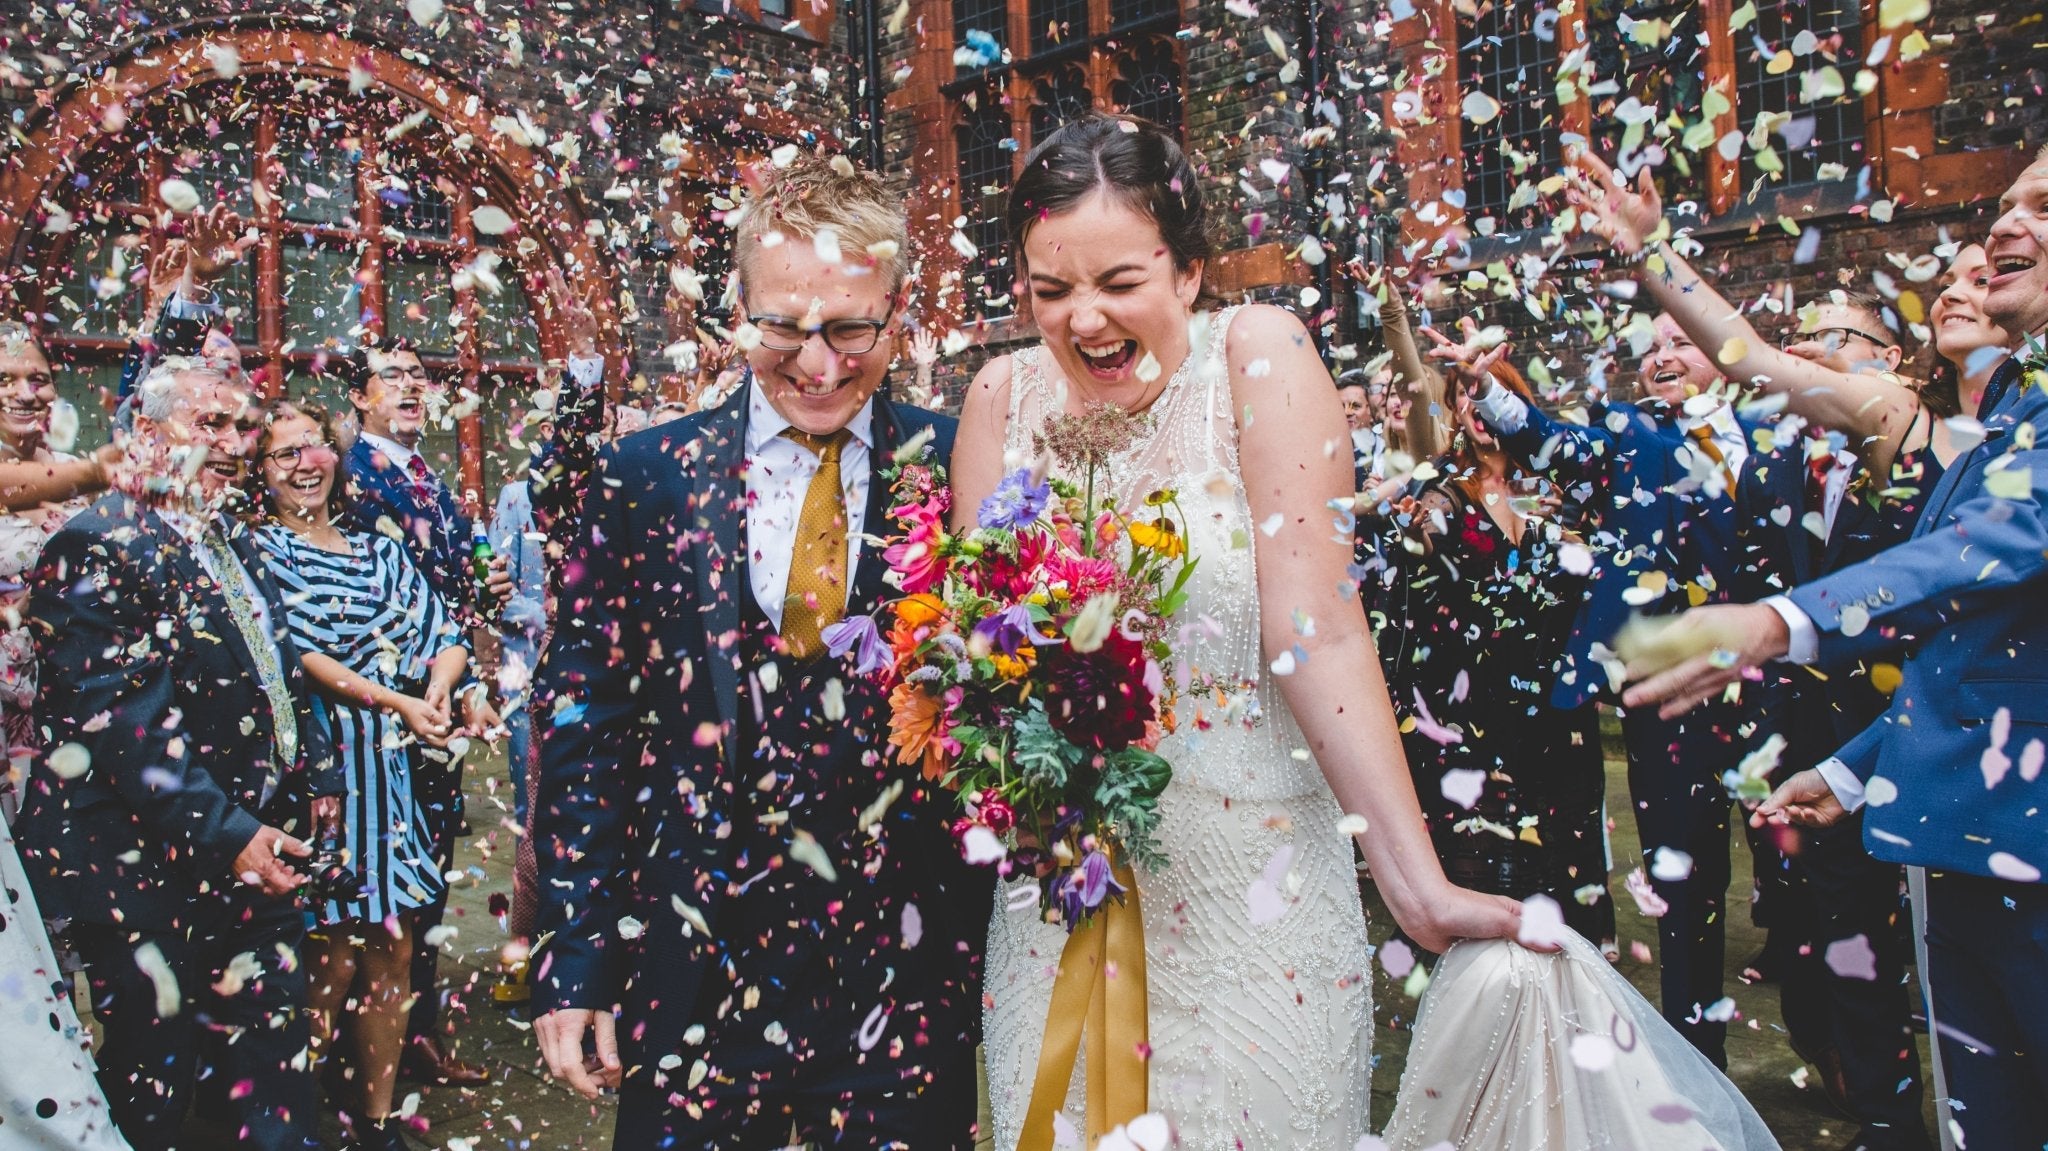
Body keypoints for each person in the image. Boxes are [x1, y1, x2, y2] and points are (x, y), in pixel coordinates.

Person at [951, 113, 1525, 1148]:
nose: (1084, 318)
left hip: (1256, 907)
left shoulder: (1257, 356)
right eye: (1050, 289)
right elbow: (978, 664)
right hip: (1059, 911)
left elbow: (1322, 629)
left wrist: (1415, 884)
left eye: (1119, 281)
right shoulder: (1001, 395)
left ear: (1188, 271)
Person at [531, 154, 991, 1148]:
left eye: (850, 329)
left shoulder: (962, 464)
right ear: (738, 313)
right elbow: (586, 725)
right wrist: (577, 958)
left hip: (903, 972)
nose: (817, 365)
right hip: (693, 961)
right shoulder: (645, 475)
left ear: (899, 313)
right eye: (783, 326)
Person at [1619, 146, 2048, 1151]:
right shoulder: (2001, 420)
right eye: (2003, 205)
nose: (1998, 227)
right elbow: (1974, 646)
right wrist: (1853, 772)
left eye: (2041, 205)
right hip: (1945, 821)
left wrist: (1778, 621)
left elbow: (1996, 542)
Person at [1567, 150, 1951, 1147]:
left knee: (1890, 945)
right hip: (1788, 728)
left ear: (1896, 361)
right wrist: (1650, 252)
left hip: (1905, 732)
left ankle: (1884, 1096)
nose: (1815, 349)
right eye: (1808, 336)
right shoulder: (1779, 458)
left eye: (1841, 337)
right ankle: (1859, 1097)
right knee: (1825, 924)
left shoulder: (1929, 448)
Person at [19, 357, 341, 1151]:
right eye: (211, 423)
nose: (233, 442)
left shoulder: (232, 536)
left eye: (242, 426)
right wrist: (231, 832)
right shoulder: (96, 543)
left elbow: (278, 665)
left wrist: (316, 768)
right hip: (139, 863)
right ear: (146, 432)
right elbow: (124, 726)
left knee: (273, 1058)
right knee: (153, 1073)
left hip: (251, 847)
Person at [1431, 309, 1755, 1067]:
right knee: (1685, 879)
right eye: (1653, 346)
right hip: (1670, 691)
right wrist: (1489, 389)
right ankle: (1697, 1056)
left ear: (1727, 353)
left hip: (1788, 689)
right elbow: (1553, 441)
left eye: (1682, 342)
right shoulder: (1634, 437)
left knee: (1822, 882)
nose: (1662, 357)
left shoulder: (1783, 436)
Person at [250, 399, 493, 1150]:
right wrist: (397, 700)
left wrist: (442, 688)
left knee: (394, 947)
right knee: (328, 958)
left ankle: (377, 1119)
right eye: (284, 452)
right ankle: (295, 1121)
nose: (305, 464)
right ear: (261, 471)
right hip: (322, 777)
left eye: (314, 446)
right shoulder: (260, 550)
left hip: (392, 777)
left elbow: (443, 632)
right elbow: (300, 656)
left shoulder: (377, 548)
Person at [1360, 358, 1615, 948]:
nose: (1474, 408)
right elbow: (1423, 550)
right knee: (1486, 869)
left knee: (1560, 866)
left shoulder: (1559, 493)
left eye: (1487, 395)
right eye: (1462, 397)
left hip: (1553, 713)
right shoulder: (1448, 493)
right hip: (1474, 712)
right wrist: (1417, 534)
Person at [340, 339, 508, 1086]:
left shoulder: (426, 474)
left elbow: (455, 580)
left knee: (432, 865)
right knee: (395, 874)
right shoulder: (354, 476)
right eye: (393, 376)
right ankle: (381, 1041)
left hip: (443, 691)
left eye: (419, 375)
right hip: (393, 703)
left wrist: (485, 587)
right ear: (360, 397)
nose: (412, 386)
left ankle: (416, 1031)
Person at [0, 323, 129, 1149]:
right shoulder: (60, 476)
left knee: (81, 929)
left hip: (83, 745)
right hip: (8, 753)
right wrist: (96, 470)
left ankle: (84, 1081)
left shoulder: (79, 484)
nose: (27, 390)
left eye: (39, 376)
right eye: (7, 378)